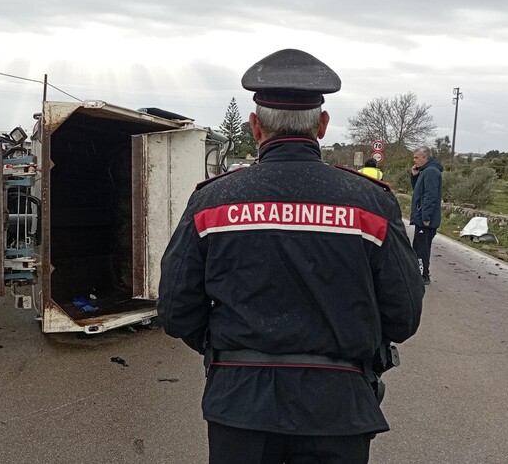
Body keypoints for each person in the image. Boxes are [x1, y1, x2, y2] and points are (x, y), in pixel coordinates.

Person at [158, 48, 425, 464]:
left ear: (254, 127)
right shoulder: (371, 205)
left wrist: (228, 354)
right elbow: (404, 316)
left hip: (238, 404)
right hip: (339, 407)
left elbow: (176, 310)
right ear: (321, 125)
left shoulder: (211, 202)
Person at [410, 147, 443, 285]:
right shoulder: (425, 171)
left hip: (425, 219)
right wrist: (415, 176)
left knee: (421, 248)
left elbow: (430, 196)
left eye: (417, 157)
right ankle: (419, 273)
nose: (414, 160)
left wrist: (426, 217)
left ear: (425, 158)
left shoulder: (430, 172)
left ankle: (423, 275)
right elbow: (418, 190)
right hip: (422, 216)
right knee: (419, 245)